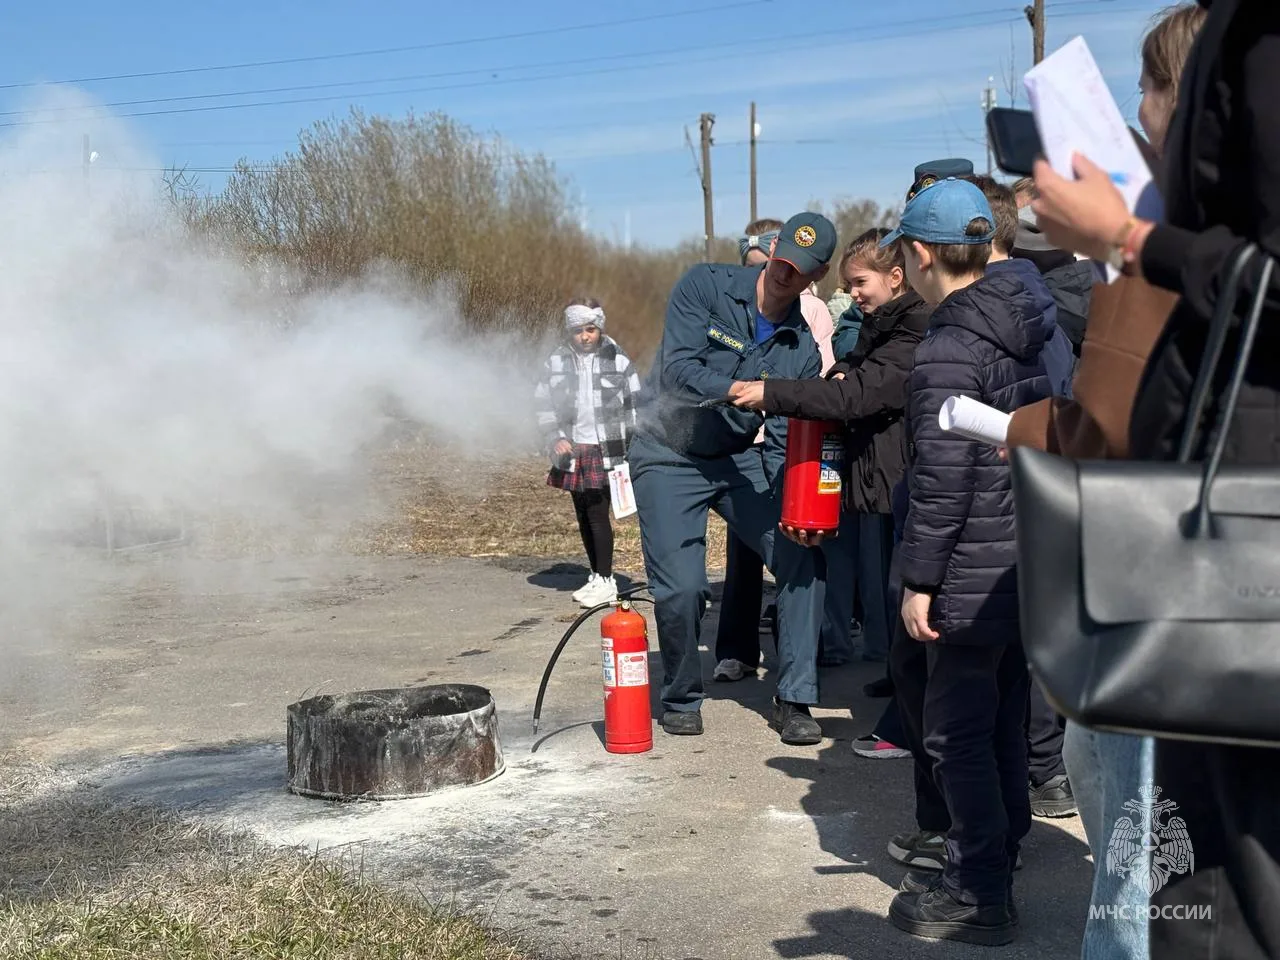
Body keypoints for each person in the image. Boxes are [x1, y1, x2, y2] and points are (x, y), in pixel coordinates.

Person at [1030, 1, 1277, 956]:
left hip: (1213, 578)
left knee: (1170, 865)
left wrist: (1134, 245)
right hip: (1197, 568)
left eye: (1151, 88)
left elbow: (1118, 408)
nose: (1140, 110)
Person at [885, 177, 1062, 946]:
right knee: (1003, 723)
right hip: (1024, 561)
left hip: (969, 568)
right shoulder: (1022, 319)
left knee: (956, 733)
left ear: (921, 255)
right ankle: (1001, 854)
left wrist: (920, 578)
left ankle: (977, 888)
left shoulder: (951, 343)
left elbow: (942, 475)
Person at [630, 212, 836, 745]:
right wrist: (739, 387)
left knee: (800, 556)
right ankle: (680, 694)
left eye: (802, 270)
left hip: (736, 457)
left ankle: (795, 698)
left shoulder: (802, 350)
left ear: (818, 276)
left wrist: (799, 507)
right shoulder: (705, 285)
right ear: (773, 250)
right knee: (683, 588)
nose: (787, 274)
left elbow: (796, 433)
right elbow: (675, 371)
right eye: (783, 261)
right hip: (668, 450)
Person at [733, 226, 929, 696]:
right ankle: (899, 679)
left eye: (860, 283)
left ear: (896, 277)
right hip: (878, 478)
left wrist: (774, 394)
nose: (852, 294)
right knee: (889, 587)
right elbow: (853, 370)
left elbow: (860, 394)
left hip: (902, 476)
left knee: (903, 590)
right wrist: (842, 369)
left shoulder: (915, 328)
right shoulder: (883, 323)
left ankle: (907, 706)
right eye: (848, 284)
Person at [966, 174, 1079, 820]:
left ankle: (1035, 773)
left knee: (1009, 657)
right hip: (1047, 493)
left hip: (1006, 501)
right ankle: (1042, 769)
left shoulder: (988, 314)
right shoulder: (1043, 304)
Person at [714, 220, 836, 683]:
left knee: (797, 549)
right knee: (743, 553)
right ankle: (737, 649)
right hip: (742, 444)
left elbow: (819, 376)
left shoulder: (812, 313)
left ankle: (799, 656)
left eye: (766, 265)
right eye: (750, 269)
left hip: (790, 444)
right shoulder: (728, 310)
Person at [534, 298, 642, 608]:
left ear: (599, 328)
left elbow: (634, 404)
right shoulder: (556, 362)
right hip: (572, 446)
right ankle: (596, 574)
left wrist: (631, 449)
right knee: (582, 512)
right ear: (570, 331)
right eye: (578, 331)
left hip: (606, 449)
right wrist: (555, 436)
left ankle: (608, 580)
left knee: (597, 513)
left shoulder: (617, 359)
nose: (585, 336)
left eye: (591, 329)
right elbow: (543, 402)